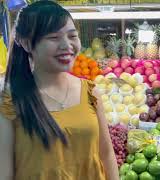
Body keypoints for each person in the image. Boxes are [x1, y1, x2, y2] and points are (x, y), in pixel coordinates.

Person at [0, 1, 119, 180]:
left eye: (72, 36)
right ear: (26, 44)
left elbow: (107, 154)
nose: (67, 45)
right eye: (53, 38)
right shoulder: (11, 102)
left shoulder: (90, 92)